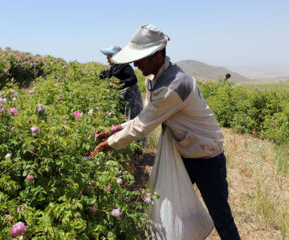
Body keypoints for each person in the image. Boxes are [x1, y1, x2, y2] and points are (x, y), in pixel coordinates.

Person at [93, 24, 241, 240]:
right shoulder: (153, 80)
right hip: (183, 152)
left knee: (221, 217)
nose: (135, 63)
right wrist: (112, 130)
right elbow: (144, 117)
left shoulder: (173, 85)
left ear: (155, 55)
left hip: (206, 154)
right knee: (174, 206)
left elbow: (142, 127)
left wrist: (111, 143)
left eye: (140, 58)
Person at [99, 46, 143, 122]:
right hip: (122, 98)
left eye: (108, 55)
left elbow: (133, 79)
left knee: (131, 120)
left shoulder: (125, 66)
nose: (107, 58)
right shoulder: (113, 67)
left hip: (131, 99)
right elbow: (101, 76)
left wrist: (119, 83)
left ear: (115, 56)